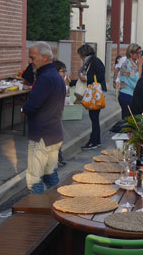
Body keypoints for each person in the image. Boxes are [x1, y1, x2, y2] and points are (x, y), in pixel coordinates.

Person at [22, 42, 66, 193]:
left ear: (45, 57)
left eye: (32, 57)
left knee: (35, 179)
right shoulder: (54, 75)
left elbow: (32, 106)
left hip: (42, 137)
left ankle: (37, 212)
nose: (30, 61)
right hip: (54, 134)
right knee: (50, 175)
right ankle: (56, 208)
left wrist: (23, 108)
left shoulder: (46, 78)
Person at [76, 43, 106, 150]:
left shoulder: (94, 61)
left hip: (95, 93)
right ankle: (94, 139)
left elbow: (101, 75)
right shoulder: (90, 61)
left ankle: (94, 140)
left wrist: (87, 78)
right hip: (93, 93)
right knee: (94, 118)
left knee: (94, 118)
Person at [115, 43, 142, 119]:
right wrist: (140, 66)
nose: (139, 55)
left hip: (131, 94)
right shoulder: (127, 64)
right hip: (126, 94)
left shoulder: (134, 63)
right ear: (131, 53)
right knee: (127, 121)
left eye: (140, 53)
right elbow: (136, 80)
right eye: (137, 53)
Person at [53, 60, 69, 166]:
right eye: (63, 71)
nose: (65, 74)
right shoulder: (54, 83)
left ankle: (58, 155)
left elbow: (66, 94)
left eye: (65, 71)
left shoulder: (61, 82)